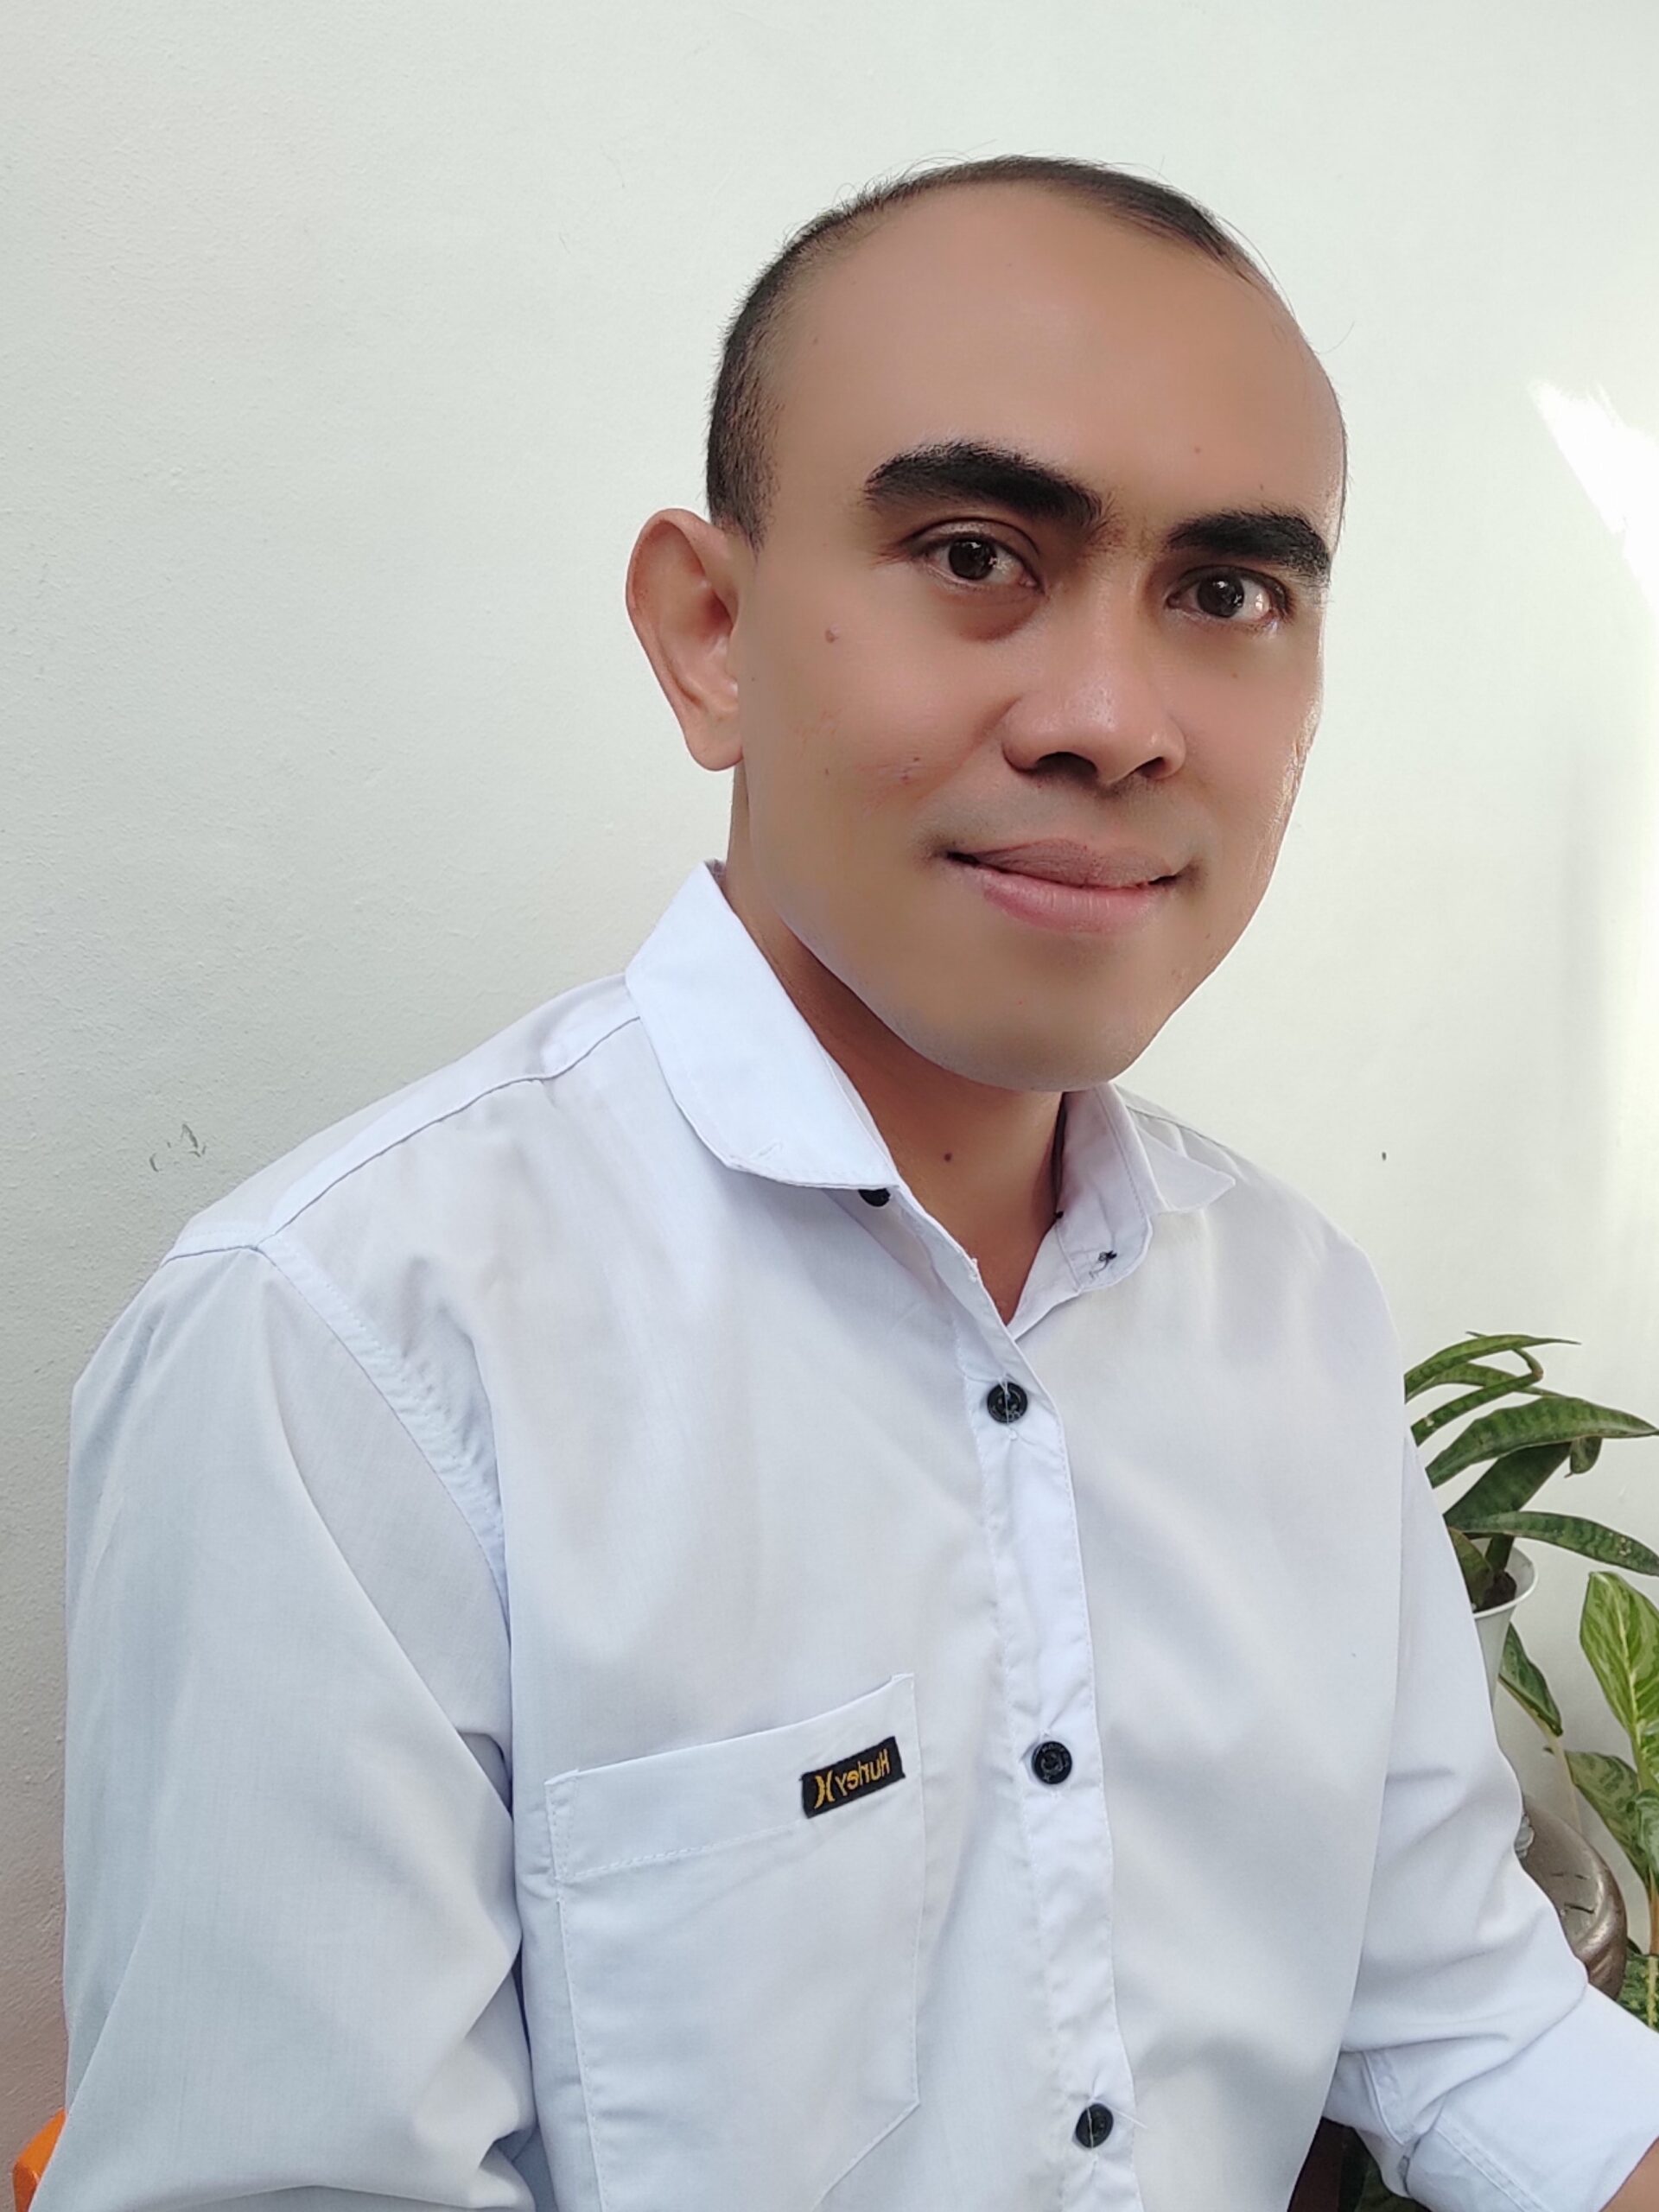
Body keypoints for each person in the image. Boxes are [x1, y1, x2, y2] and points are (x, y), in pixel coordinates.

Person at [41, 155, 1659, 2212]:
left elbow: (1471, 2020)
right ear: (709, 633)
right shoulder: (346, 1350)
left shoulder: (1296, 1312)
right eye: (978, 553)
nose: (1112, 720)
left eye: (1227, 593)